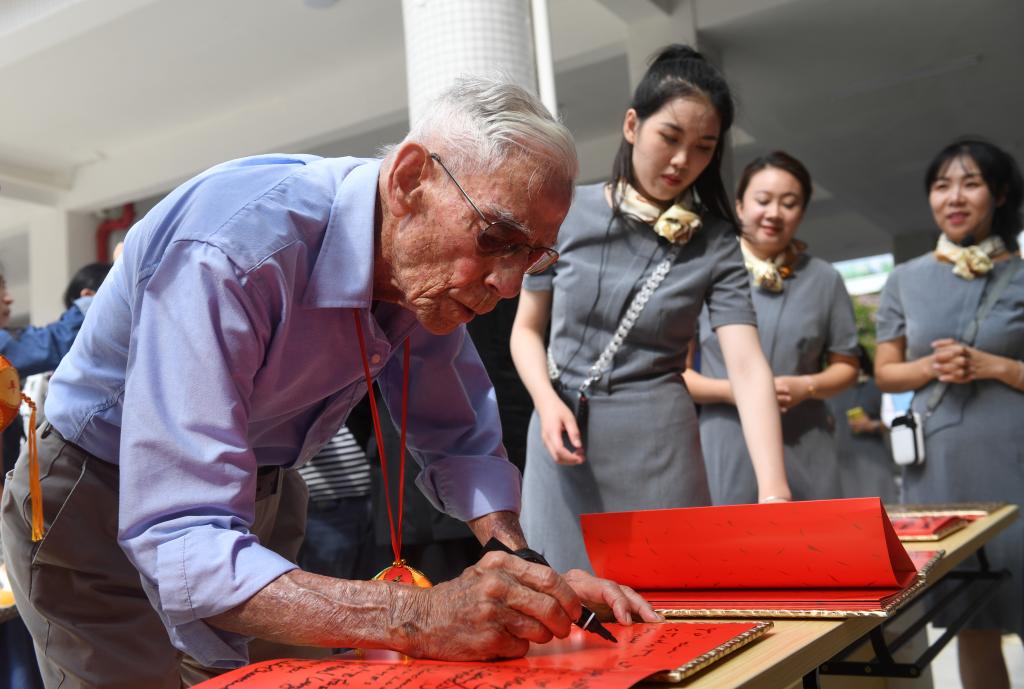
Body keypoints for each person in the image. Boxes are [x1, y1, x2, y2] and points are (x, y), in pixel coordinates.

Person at [0, 77, 658, 689]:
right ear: (409, 180)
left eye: (531, 256)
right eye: (496, 239)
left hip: (260, 488)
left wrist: (528, 573)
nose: (509, 285)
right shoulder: (233, 248)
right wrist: (421, 616)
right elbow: (183, 537)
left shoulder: (418, 268)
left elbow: (459, 436)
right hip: (96, 491)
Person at [511, 45, 791, 574]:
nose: (683, 160)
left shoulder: (715, 242)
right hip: (561, 434)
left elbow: (747, 365)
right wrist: (546, 403)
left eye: (704, 147)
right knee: (560, 600)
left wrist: (773, 490)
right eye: (670, 137)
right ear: (632, 125)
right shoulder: (564, 212)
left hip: (661, 444)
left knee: (671, 598)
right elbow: (526, 330)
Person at [875, 138, 1024, 689]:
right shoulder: (905, 279)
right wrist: (931, 367)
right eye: (942, 186)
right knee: (972, 616)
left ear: (999, 194)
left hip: (1015, 452)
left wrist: (996, 366)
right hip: (942, 462)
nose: (954, 197)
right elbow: (886, 372)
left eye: (970, 183)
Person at [685, 151, 859, 504]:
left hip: (806, 437)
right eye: (763, 200)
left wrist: (806, 386)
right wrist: (737, 391)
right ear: (739, 206)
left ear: (802, 212)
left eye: (789, 203)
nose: (774, 213)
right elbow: (678, 373)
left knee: (812, 536)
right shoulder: (704, 272)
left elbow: (847, 367)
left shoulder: (824, 279)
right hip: (726, 438)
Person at [828, 346, 898, 502]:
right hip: (841, 462)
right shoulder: (828, 392)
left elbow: (894, 422)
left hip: (872, 462)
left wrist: (871, 425)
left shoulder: (873, 387)